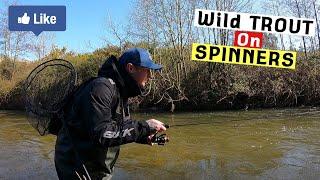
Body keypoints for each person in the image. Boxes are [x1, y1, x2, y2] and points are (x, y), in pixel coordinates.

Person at [54, 48, 167, 180]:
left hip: (95, 166)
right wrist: (144, 127)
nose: (150, 76)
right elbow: (102, 134)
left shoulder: (120, 91)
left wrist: (143, 136)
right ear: (131, 68)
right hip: (77, 166)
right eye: (147, 70)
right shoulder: (101, 88)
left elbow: (119, 127)